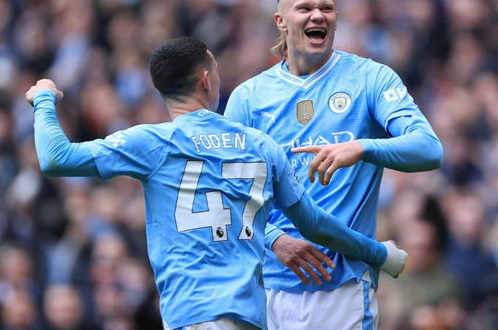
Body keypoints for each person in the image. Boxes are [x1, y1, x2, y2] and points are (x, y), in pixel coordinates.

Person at [27, 37, 408, 330]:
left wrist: (44, 98)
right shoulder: (261, 145)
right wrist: (378, 254)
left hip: (194, 313)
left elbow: (56, 158)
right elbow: (316, 225)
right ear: (206, 80)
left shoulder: (154, 142)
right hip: (251, 316)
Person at [224, 0, 443, 329]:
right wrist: (275, 241)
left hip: (344, 286)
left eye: (327, 8)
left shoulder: (370, 78)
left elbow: (429, 149)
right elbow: (228, 192)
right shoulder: (248, 98)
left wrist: (362, 148)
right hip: (267, 288)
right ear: (280, 21)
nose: (318, 15)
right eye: (304, 8)